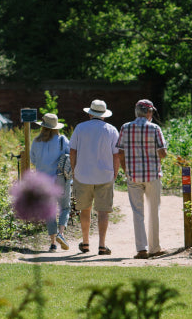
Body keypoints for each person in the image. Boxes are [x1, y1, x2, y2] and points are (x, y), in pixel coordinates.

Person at [116, 99, 167, 259]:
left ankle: (141, 249)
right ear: (149, 113)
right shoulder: (155, 128)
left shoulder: (125, 127)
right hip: (152, 175)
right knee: (154, 211)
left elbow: (120, 153)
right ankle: (155, 247)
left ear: (137, 112)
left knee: (137, 212)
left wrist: (126, 170)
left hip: (133, 176)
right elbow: (163, 153)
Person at [68, 99, 119, 255]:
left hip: (83, 174)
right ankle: (102, 245)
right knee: (103, 211)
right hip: (105, 175)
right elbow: (116, 155)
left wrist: (74, 170)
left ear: (90, 113)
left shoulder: (80, 128)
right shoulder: (111, 130)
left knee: (85, 210)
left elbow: (72, 151)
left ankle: (85, 243)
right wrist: (115, 173)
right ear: (104, 115)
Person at [29, 112, 71, 251]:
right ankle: (61, 233)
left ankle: (53, 243)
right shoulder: (62, 140)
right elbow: (70, 157)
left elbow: (33, 160)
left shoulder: (36, 141)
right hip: (59, 179)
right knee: (65, 207)